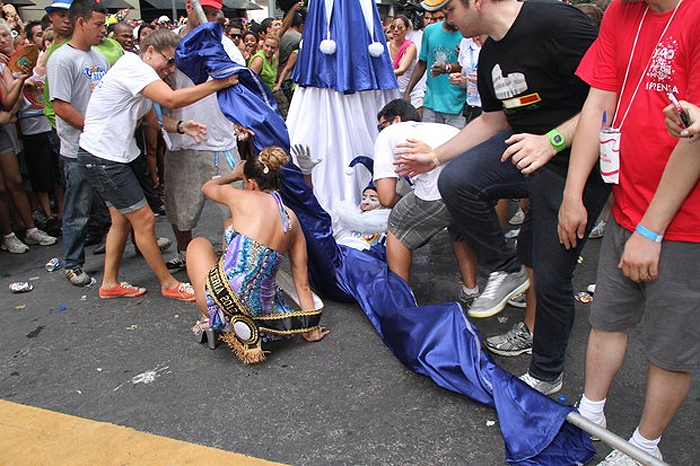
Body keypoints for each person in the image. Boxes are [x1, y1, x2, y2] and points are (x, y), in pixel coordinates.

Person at [394, 0, 609, 395]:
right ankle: (503, 268)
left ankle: (546, 375)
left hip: (575, 164)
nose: (447, 22)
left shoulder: (557, 23)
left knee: (549, 274)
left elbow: (612, 97)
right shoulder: (492, 51)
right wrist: (435, 157)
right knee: (457, 181)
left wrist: (552, 141)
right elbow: (495, 121)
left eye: (450, 11)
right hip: (525, 155)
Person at [558, 0, 700, 463]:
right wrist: (573, 192)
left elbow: (695, 138)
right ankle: (590, 415)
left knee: (670, 345)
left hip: (683, 224)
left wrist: (652, 232)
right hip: (626, 204)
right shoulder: (623, 9)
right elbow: (601, 97)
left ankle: (644, 448)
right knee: (607, 318)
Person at [78, 29, 237, 301]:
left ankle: (109, 283)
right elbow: (171, 100)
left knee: (120, 221)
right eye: (169, 61)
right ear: (149, 51)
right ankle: (168, 283)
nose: (171, 69)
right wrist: (216, 84)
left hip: (113, 156)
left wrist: (183, 127)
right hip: (104, 158)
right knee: (145, 219)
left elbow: (156, 120)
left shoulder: (143, 75)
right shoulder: (134, 67)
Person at [187, 147, 329, 364]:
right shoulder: (291, 219)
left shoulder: (241, 197)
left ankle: (213, 316)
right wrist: (310, 327)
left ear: (251, 183)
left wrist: (232, 175)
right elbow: (303, 285)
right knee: (229, 225)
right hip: (263, 316)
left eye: (244, 181)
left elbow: (207, 187)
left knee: (198, 244)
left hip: (224, 303)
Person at [163, 0, 245, 274]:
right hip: (183, 140)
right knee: (180, 206)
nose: (209, 18)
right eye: (205, 12)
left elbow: (237, 80)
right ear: (189, 7)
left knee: (235, 207)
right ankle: (185, 252)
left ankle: (234, 257)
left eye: (214, 14)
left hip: (221, 138)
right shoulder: (171, 42)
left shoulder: (225, 44)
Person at [374, 99, 478, 303]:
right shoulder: (441, 127)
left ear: (395, 120)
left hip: (440, 190)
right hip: (474, 187)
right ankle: (471, 291)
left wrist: (403, 199)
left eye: (381, 125)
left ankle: (402, 303)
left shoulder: (389, 134)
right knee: (458, 227)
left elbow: (385, 197)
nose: (380, 130)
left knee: (397, 225)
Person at [0, 19, 57, 253]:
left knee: (15, 182)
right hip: (13, 127)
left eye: (5, 34)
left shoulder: (6, 65)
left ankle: (31, 230)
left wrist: (21, 79)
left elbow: (9, 103)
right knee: (1, 188)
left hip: (6, 130)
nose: (3, 39)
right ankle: (8, 234)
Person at [401, 0, 465, 128]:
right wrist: (408, 91)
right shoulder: (430, 31)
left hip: (457, 104)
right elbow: (422, 63)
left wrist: (448, 68)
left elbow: (470, 66)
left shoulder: (467, 33)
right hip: (431, 102)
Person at [389, 16, 418, 108]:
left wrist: (382, 75)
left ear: (407, 30)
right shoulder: (386, 47)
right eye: (393, 27)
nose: (396, 30)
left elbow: (402, 70)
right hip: (392, 93)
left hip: (410, 94)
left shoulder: (411, 47)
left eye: (400, 27)